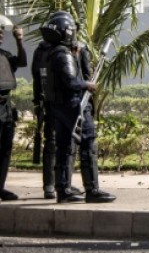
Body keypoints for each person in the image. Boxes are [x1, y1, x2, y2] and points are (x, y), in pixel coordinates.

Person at [39, 13, 115, 204]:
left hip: (58, 107)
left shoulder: (49, 52)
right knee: (88, 144)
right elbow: (72, 81)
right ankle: (92, 189)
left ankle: (63, 190)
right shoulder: (63, 54)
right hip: (73, 105)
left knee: (63, 148)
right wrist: (87, 85)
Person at [32, 11, 85, 200]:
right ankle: (60, 185)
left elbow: (36, 79)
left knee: (53, 144)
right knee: (63, 144)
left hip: (48, 102)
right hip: (61, 103)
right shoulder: (63, 52)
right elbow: (74, 78)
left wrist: (37, 101)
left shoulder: (41, 50)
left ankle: (55, 185)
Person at [0, 18, 26, 201]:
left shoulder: (5, 56)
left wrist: (19, 41)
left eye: (2, 31)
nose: (1, 34)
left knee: (6, 150)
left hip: (6, 109)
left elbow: (22, 62)